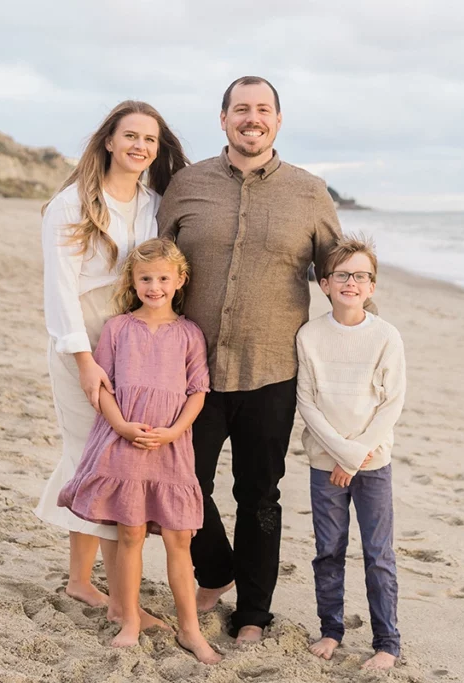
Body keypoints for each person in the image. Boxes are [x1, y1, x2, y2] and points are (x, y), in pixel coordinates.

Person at [158, 75, 376, 643]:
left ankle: (254, 611)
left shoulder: (308, 191)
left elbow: (338, 273)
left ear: (278, 121)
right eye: (240, 109)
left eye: (263, 110)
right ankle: (216, 568)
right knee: (182, 483)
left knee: (260, 494)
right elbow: (155, 267)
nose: (251, 118)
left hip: (273, 369)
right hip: (190, 371)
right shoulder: (187, 184)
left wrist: (362, 348)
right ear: (223, 118)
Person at [32, 100, 188, 631]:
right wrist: (82, 359)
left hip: (131, 338)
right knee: (96, 456)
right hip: (84, 337)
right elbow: (59, 290)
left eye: (150, 139)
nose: (140, 146)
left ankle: (81, 580)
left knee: (94, 455)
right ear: (108, 141)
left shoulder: (154, 202)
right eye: (131, 136)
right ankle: (123, 604)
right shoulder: (71, 203)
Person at [57, 238, 221, 665]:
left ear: (180, 281)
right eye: (146, 278)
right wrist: (122, 425)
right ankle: (129, 618)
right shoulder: (117, 328)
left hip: (171, 445)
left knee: (178, 536)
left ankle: (190, 629)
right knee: (129, 532)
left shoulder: (189, 334)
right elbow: (101, 386)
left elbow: (197, 391)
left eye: (164, 278)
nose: (154, 286)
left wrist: (172, 432)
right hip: (123, 440)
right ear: (132, 279)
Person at [296, 236, 406, 671]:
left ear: (372, 286)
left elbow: (391, 403)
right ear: (324, 283)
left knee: (378, 553)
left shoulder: (385, 337)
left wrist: (356, 454)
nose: (351, 282)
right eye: (342, 275)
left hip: (372, 463)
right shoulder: (310, 335)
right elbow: (307, 402)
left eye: (361, 275)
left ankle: (387, 642)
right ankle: (331, 630)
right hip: (326, 463)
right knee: (329, 549)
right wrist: (341, 455)